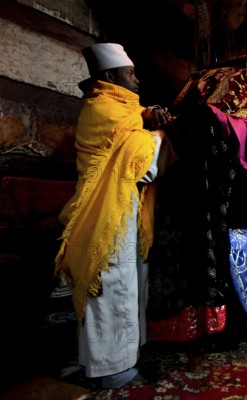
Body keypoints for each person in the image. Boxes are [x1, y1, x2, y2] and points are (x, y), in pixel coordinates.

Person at [54, 43, 175, 389]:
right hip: (104, 215)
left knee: (127, 284)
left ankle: (124, 361)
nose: (136, 80)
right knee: (110, 289)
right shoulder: (102, 108)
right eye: (130, 74)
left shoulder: (124, 110)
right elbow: (141, 161)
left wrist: (148, 116)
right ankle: (112, 371)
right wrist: (163, 135)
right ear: (109, 77)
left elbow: (132, 129)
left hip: (122, 209)